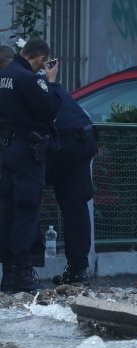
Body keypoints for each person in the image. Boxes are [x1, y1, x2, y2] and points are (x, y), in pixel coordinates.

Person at [0, 39, 59, 293]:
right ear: (40, 60)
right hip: (28, 152)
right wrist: (51, 82)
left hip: (9, 149)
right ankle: (23, 273)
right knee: (26, 210)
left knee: (10, 210)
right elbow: (50, 109)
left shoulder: (5, 75)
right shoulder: (29, 78)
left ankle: (10, 273)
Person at [47, 81, 98, 285]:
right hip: (81, 143)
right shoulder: (49, 84)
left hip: (66, 146)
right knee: (76, 207)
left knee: (25, 201)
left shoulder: (22, 82)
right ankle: (78, 268)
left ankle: (21, 270)